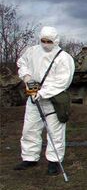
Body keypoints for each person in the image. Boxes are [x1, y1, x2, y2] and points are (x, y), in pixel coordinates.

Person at [14, 26, 75, 175]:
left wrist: (43, 93)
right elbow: (22, 63)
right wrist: (27, 77)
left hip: (53, 99)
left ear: (56, 41)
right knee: (30, 128)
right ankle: (29, 157)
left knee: (55, 131)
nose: (46, 43)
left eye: (49, 41)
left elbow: (62, 81)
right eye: (43, 40)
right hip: (33, 97)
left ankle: (54, 161)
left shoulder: (64, 58)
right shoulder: (32, 51)